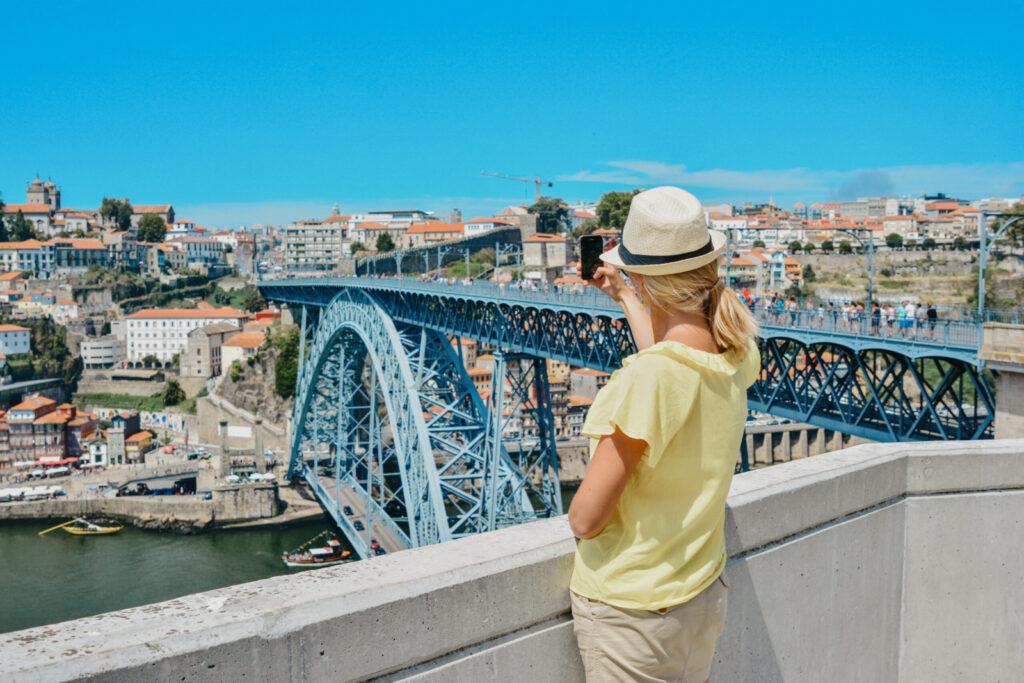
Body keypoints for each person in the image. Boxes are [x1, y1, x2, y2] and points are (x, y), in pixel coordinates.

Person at [569, 186, 759, 682]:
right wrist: (628, 296)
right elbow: (678, 365)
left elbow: (586, 519)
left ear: (651, 283)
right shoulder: (737, 353)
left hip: (634, 613)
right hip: (699, 596)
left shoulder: (645, 379)